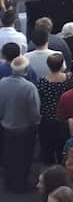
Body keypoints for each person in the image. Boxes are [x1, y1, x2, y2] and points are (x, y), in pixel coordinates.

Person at [0, 55, 39, 192]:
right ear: (26, 70)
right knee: (24, 159)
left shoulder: (2, 83)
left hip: (5, 127)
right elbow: (34, 112)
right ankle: (20, 184)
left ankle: (8, 182)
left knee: (7, 155)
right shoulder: (29, 88)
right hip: (24, 130)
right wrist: (36, 124)